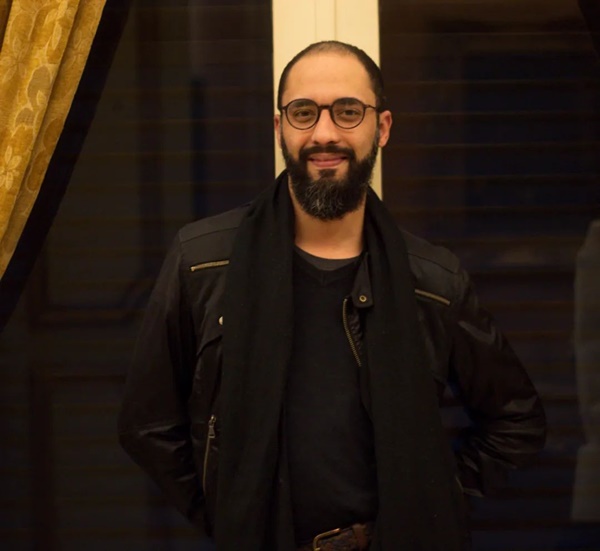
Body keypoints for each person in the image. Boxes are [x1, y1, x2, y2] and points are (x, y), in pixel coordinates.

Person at [118, 41, 546, 551]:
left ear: (381, 128)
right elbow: (147, 423)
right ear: (279, 129)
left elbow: (515, 421)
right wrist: (228, 511)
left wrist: (431, 504)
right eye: (303, 112)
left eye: (347, 112)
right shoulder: (202, 261)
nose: (324, 134)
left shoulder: (433, 283)